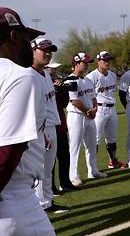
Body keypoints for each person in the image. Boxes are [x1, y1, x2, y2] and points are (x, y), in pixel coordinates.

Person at [0, 7, 73, 236]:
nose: (28, 47)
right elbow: (6, 155)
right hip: (11, 200)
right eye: (26, 39)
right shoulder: (20, 77)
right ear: (13, 37)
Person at [30, 37, 68, 213]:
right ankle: (40, 205)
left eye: (50, 50)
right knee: (39, 170)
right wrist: (41, 132)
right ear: (32, 50)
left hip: (52, 127)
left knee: (47, 169)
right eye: (43, 49)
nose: (47, 53)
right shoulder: (28, 75)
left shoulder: (45, 74)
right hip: (39, 130)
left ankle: (47, 202)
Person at [66, 52, 105, 186]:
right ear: (76, 63)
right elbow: (74, 101)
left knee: (91, 145)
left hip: (90, 116)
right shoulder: (70, 80)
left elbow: (93, 97)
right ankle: (73, 175)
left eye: (88, 63)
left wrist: (94, 109)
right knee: (75, 147)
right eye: (84, 63)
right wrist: (87, 111)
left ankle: (93, 170)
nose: (87, 65)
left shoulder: (88, 80)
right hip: (76, 116)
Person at [86, 51, 125, 169]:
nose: (107, 62)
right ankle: (92, 167)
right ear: (98, 61)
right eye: (104, 60)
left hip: (112, 108)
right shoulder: (91, 76)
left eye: (109, 60)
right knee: (96, 138)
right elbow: (88, 95)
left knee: (112, 138)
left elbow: (113, 92)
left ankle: (113, 161)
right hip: (99, 108)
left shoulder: (112, 75)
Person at [47, 63, 79, 192]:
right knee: (50, 161)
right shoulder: (42, 82)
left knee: (64, 155)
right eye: (52, 68)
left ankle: (65, 183)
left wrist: (63, 91)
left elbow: (64, 104)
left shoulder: (57, 81)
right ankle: (51, 188)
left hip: (60, 124)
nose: (54, 70)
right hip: (49, 125)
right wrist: (53, 90)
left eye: (55, 68)